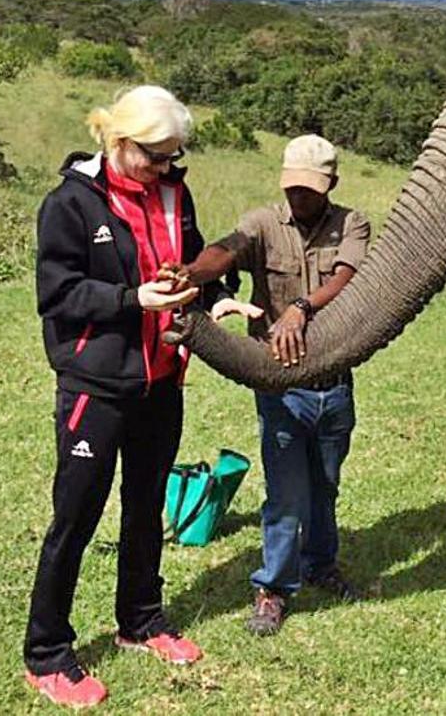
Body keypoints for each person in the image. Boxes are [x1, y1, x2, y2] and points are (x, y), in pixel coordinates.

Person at [24, 86, 229, 708]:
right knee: (77, 517)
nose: (168, 167)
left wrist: (214, 293)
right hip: (97, 386)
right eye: (156, 156)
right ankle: (47, 653)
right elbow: (57, 294)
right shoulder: (71, 204)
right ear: (118, 143)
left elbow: (193, 262)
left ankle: (141, 621)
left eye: (174, 156)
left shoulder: (173, 193)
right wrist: (130, 299)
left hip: (161, 380)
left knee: (146, 506)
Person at [177, 134, 370, 636]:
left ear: (331, 184)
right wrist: (191, 276)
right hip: (279, 383)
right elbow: (226, 250)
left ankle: (321, 565)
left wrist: (300, 309)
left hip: (333, 379)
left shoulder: (352, 224)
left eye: (309, 189)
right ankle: (273, 589)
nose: (298, 197)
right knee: (286, 491)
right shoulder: (264, 222)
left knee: (325, 485)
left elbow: (348, 277)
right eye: (292, 188)